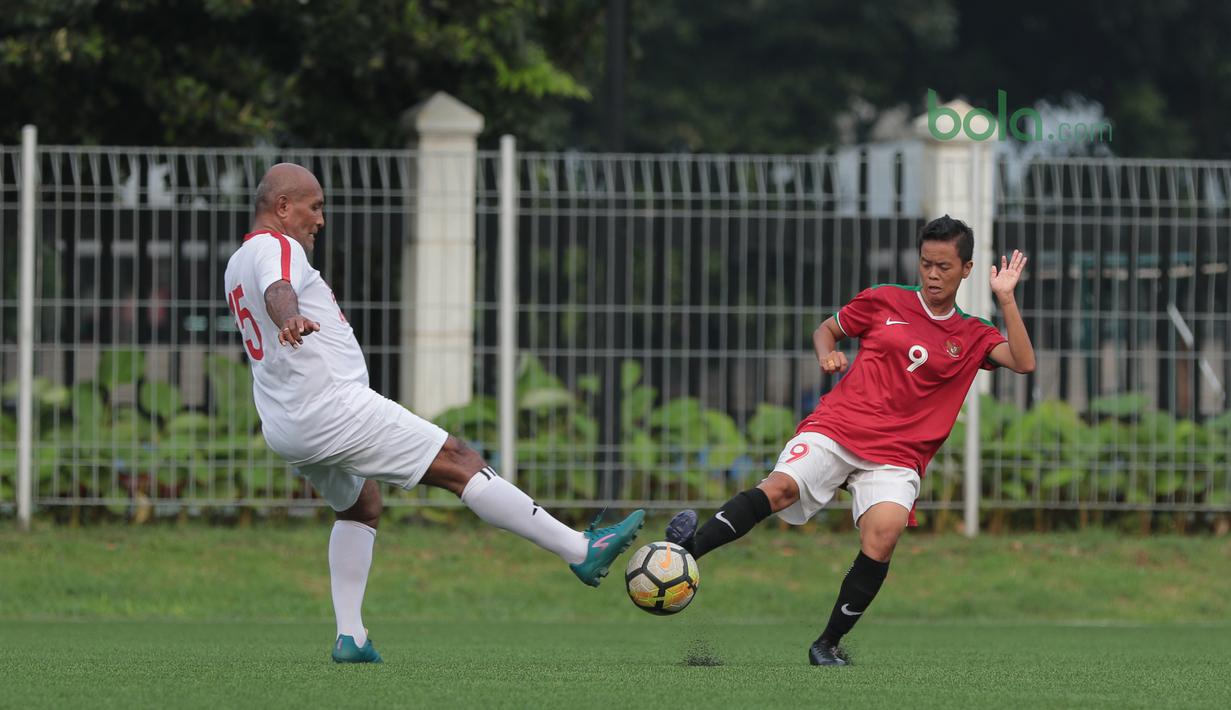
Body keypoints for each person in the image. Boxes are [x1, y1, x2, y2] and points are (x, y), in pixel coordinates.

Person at [223, 163, 644, 663]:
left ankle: (350, 636)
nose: (320, 219)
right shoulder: (278, 247)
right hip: (331, 407)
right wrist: (290, 314)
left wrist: (288, 315)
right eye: (314, 207)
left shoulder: (237, 260)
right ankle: (580, 550)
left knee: (361, 505)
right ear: (283, 207)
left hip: (286, 422)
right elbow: (278, 290)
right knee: (459, 459)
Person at [665, 215, 1035, 665]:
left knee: (883, 536)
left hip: (898, 456)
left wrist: (1007, 300)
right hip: (840, 426)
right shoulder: (883, 300)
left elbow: (1023, 361)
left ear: (966, 269)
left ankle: (826, 644)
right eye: (926, 264)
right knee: (778, 489)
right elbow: (827, 329)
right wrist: (828, 355)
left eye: (943, 266)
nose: (933, 275)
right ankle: (685, 551)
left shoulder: (973, 334)